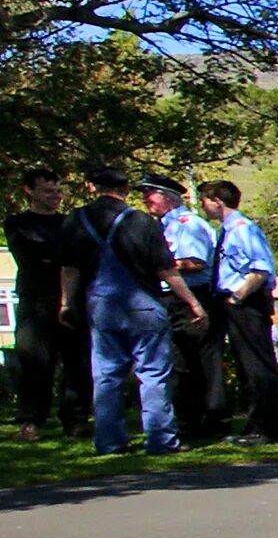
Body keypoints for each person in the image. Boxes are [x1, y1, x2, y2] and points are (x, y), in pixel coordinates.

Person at [60, 166, 207, 454]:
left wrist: (66, 302)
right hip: (143, 304)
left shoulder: (76, 220)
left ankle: (110, 441)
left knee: (106, 374)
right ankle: (161, 439)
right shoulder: (141, 221)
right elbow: (166, 269)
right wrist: (193, 302)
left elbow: (69, 268)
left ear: (93, 188)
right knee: (153, 373)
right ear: (125, 190)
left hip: (101, 304)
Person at [197, 180, 278, 443]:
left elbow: (260, 268)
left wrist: (237, 297)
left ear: (218, 201)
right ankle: (254, 423)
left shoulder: (242, 229)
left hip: (246, 303)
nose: (203, 205)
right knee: (245, 364)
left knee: (256, 363)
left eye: (204, 200)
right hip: (235, 302)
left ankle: (267, 426)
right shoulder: (228, 230)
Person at [5, 167, 91, 441]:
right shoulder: (18, 223)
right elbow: (32, 253)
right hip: (36, 300)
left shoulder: (70, 223)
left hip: (71, 300)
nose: (54, 196)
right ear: (29, 191)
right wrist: (63, 258)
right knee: (34, 362)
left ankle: (75, 419)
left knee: (76, 361)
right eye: (47, 190)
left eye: (57, 190)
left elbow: (80, 257)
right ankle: (31, 420)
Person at [139, 172, 227, 440]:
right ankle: (189, 420)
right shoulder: (162, 225)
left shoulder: (186, 223)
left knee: (203, 361)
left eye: (149, 193)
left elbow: (195, 262)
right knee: (180, 363)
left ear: (168, 197)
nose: (145, 199)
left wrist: (156, 267)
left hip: (192, 297)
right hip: (171, 299)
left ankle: (213, 421)